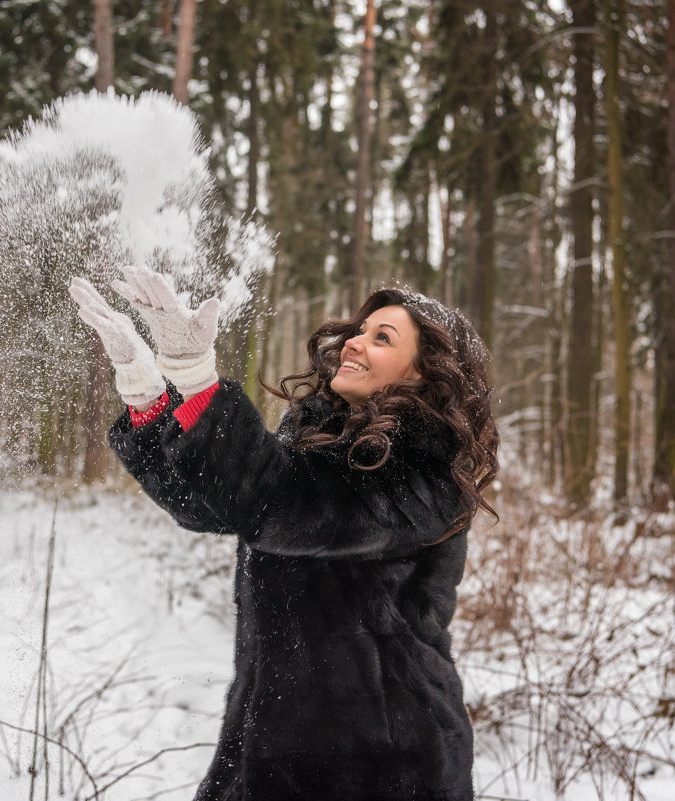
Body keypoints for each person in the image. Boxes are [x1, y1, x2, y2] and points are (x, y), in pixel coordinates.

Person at [69, 265, 499, 801]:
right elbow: (209, 507)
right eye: (360, 331)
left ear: (422, 374)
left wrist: (194, 372)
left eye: (382, 338)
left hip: (381, 762)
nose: (355, 343)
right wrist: (144, 390)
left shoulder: (424, 472)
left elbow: (275, 503)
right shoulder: (323, 437)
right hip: (271, 737)